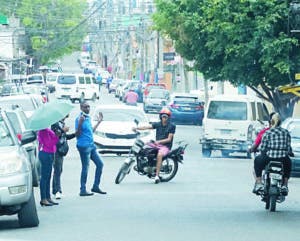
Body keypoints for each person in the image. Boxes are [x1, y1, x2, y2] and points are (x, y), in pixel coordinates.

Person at [252, 113, 293, 195]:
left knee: (257, 160)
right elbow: (288, 147)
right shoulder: (286, 132)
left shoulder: (267, 133)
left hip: (269, 158)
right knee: (289, 164)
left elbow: (263, 148)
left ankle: (259, 182)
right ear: (280, 122)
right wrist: (289, 152)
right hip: (283, 159)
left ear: (271, 122)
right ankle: (285, 185)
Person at [132, 108, 176, 184]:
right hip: (156, 144)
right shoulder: (158, 124)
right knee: (144, 147)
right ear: (160, 117)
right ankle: (146, 165)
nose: (164, 118)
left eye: (166, 117)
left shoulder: (172, 126)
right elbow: (147, 127)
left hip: (166, 146)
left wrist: (159, 141)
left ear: (168, 118)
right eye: (163, 116)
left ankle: (157, 176)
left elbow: (169, 139)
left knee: (159, 155)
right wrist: (136, 128)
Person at [75, 101, 106, 196]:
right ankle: (82, 189)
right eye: (85, 107)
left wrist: (99, 122)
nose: (87, 109)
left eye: (88, 107)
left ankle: (95, 186)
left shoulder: (88, 118)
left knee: (100, 164)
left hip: (91, 145)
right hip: (84, 146)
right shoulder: (79, 118)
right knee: (85, 167)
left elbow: (91, 131)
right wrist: (80, 124)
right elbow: (77, 135)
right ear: (81, 108)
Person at [51, 115, 75, 199]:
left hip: (62, 150)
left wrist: (75, 134)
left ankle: (55, 190)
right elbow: (55, 136)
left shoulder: (62, 123)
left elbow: (65, 137)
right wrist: (62, 130)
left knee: (59, 170)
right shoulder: (54, 124)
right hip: (56, 150)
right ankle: (58, 191)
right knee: (57, 170)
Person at [38, 127, 59, 206]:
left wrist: (56, 135)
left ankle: (48, 197)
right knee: (44, 177)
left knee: (48, 176)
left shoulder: (47, 129)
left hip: (49, 153)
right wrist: (57, 136)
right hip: (45, 153)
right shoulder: (43, 130)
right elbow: (49, 143)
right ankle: (43, 198)